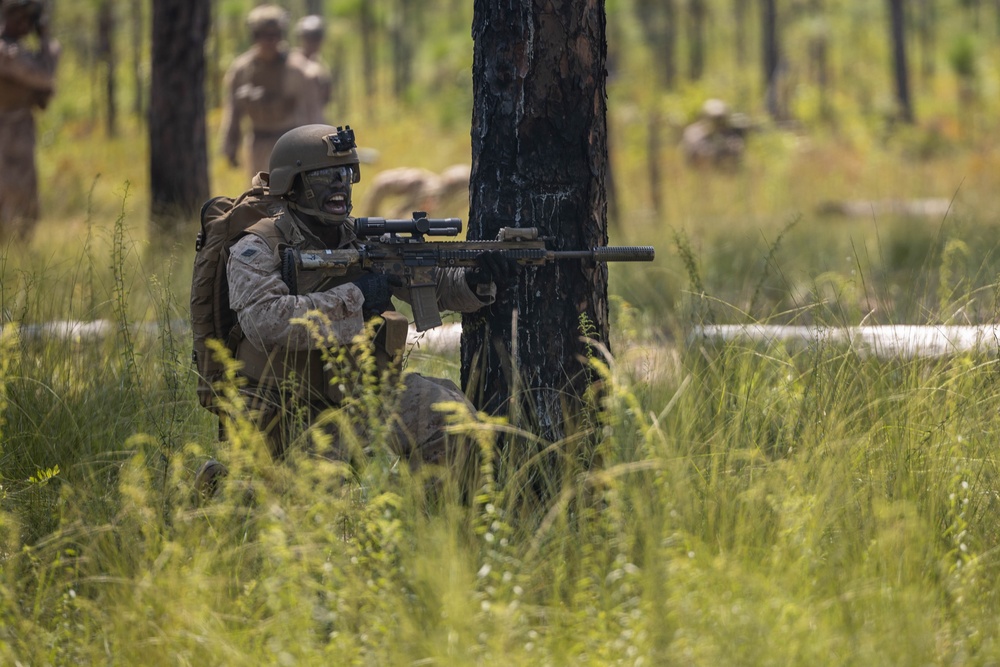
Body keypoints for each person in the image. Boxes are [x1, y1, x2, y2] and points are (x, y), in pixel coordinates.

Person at [195, 124, 518, 496]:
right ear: (293, 183)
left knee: (447, 413)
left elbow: (437, 284)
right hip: (283, 420)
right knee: (323, 513)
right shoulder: (258, 247)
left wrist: (476, 282)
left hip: (351, 405)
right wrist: (357, 295)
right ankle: (231, 490)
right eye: (325, 176)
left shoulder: (362, 240)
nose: (339, 185)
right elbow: (267, 320)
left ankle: (434, 526)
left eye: (346, 173)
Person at [219, 4, 322, 177]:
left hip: (289, 143)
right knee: (259, 196)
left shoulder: (298, 69)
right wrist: (230, 147)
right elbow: (233, 112)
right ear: (255, 36)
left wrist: (316, 148)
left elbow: (312, 113)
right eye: (265, 36)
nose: (271, 41)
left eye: (276, 35)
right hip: (257, 144)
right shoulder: (242, 70)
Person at [0, 0, 59, 242]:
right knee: (9, 191)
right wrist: (46, 43)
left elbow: (44, 85)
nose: (26, 24)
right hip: (6, 132)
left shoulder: (21, 51)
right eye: (22, 17)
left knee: (25, 194)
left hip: (21, 130)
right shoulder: (5, 51)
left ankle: (18, 251)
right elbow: (44, 77)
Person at [680, 99, 748, 171]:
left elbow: (737, 151)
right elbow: (696, 153)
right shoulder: (694, 133)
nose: (718, 123)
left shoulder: (728, 134)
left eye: (721, 120)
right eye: (716, 120)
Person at [289, 14, 331, 120]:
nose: (313, 42)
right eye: (309, 37)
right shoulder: (292, 62)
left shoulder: (321, 64)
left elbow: (326, 98)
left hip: (316, 119)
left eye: (317, 37)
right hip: (296, 125)